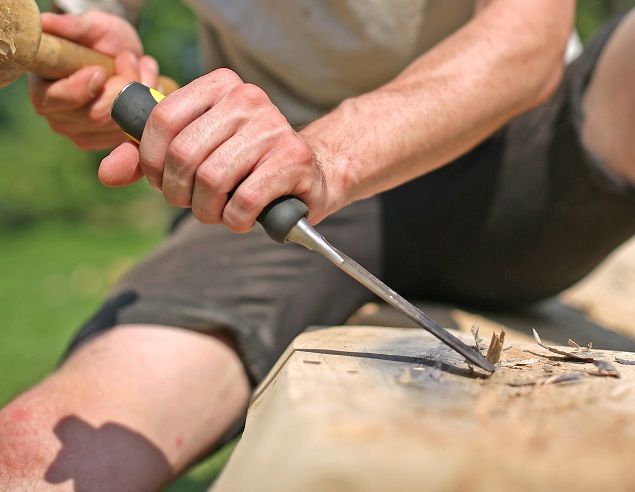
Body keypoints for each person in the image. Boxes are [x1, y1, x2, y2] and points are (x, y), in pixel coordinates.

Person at [1, 0, 634, 489]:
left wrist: (331, 154)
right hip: (269, 207)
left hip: (516, 165)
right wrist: (99, 53)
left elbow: (528, 39)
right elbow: (93, 31)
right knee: (29, 455)